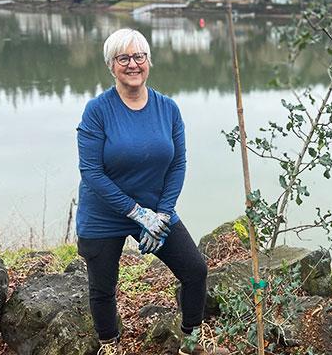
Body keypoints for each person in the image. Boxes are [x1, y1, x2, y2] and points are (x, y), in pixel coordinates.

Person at [76, 28, 227, 355]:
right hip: (104, 213)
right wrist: (136, 213)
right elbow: (91, 172)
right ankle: (110, 346)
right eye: (123, 58)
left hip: (155, 212)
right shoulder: (97, 111)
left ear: (149, 61)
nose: (133, 64)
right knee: (103, 288)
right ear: (111, 65)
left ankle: (189, 343)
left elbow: (178, 164)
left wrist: (160, 214)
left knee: (195, 271)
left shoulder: (168, 108)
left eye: (139, 56)